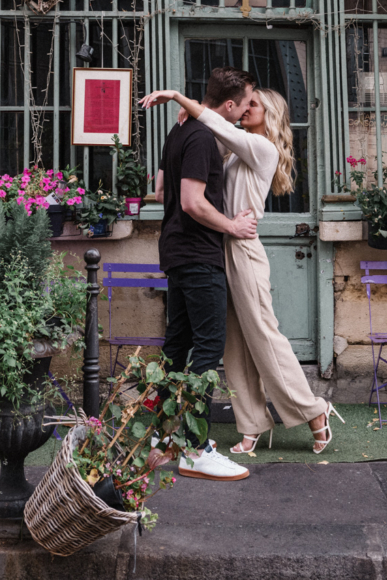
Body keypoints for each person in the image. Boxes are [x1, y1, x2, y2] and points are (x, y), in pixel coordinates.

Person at [140, 85, 339, 454]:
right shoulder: (236, 150)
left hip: (243, 248)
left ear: (271, 115)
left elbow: (222, 126)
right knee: (232, 343)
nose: (247, 108)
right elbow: (208, 143)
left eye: (255, 105)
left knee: (263, 334)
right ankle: (251, 424)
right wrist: (189, 118)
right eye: (247, 102)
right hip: (219, 245)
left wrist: (183, 101)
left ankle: (314, 409)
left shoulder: (262, 147)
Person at [154, 66, 258, 481]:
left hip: (176, 250)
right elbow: (192, 202)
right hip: (199, 254)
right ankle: (195, 449)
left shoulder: (180, 131)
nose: (249, 109)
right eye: (247, 102)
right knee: (208, 348)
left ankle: (167, 437)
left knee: (177, 346)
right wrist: (233, 225)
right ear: (228, 105)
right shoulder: (200, 137)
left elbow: (160, 189)